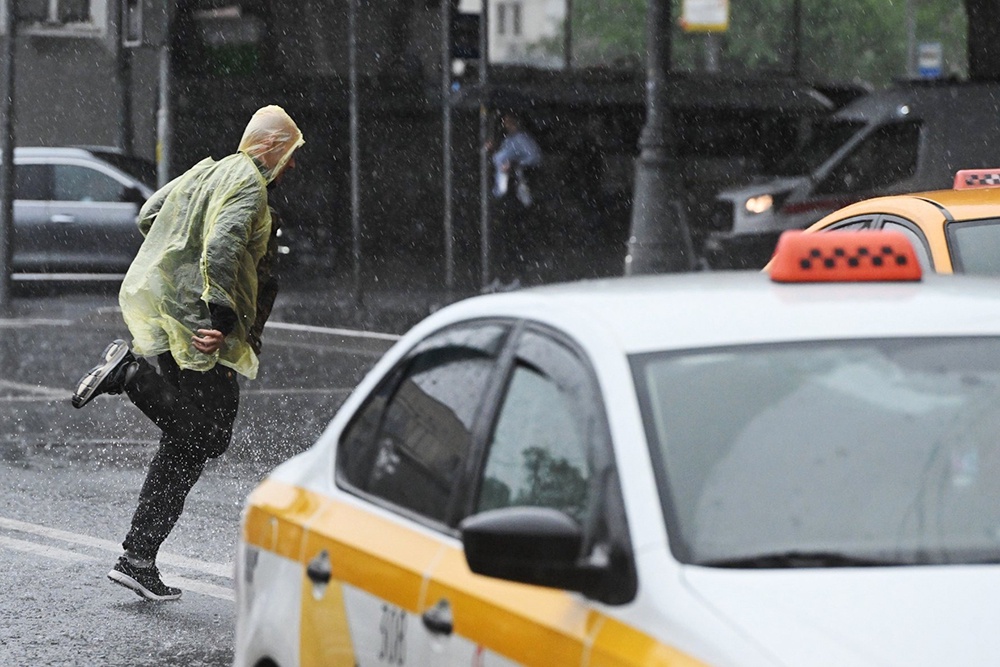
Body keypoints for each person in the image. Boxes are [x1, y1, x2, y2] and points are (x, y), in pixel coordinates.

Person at [70, 104, 304, 601]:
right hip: (204, 330)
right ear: (270, 147)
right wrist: (219, 315)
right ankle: (131, 375)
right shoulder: (247, 184)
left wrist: (182, 258)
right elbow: (221, 244)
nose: (292, 163)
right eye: (289, 152)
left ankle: (137, 558)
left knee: (184, 447)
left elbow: (150, 214)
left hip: (181, 320)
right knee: (210, 435)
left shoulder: (208, 172)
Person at [487, 111, 543, 290]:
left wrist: (515, 164)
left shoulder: (521, 139)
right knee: (503, 237)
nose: (507, 125)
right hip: (503, 192)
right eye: (505, 122)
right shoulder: (507, 141)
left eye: (510, 122)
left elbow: (534, 157)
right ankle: (503, 276)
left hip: (514, 194)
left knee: (513, 236)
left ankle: (517, 275)